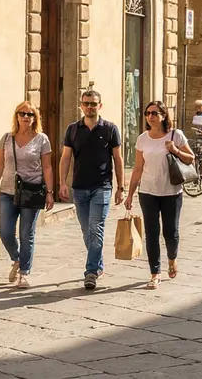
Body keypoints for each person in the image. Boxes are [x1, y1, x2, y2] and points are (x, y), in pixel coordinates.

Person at [124, 101, 194, 290]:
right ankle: (155, 273)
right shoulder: (142, 139)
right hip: (148, 192)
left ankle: (172, 258)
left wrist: (175, 150)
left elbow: (191, 158)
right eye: (147, 113)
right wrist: (130, 194)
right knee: (152, 233)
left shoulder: (175, 135)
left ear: (163, 115)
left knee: (171, 232)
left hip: (172, 192)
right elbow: (138, 168)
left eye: (155, 113)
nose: (150, 116)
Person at [59, 89, 125, 291]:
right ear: (81, 105)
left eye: (93, 104)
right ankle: (98, 264)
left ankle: (90, 272)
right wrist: (62, 182)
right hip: (79, 187)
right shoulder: (73, 129)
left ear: (100, 106)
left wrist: (121, 187)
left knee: (96, 228)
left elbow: (118, 159)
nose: (89, 107)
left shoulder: (110, 129)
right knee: (87, 231)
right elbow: (66, 157)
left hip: (102, 187)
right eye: (86, 103)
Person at [0, 101, 54, 289]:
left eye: (30, 114)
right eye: (22, 113)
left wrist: (49, 192)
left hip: (31, 191)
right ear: (16, 116)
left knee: (26, 233)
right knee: (5, 232)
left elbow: (47, 167)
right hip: (7, 191)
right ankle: (16, 258)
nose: (26, 117)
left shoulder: (42, 139)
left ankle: (24, 273)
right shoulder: (7, 138)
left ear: (35, 118)